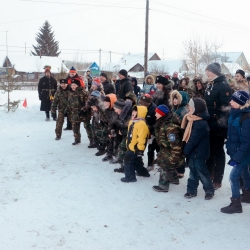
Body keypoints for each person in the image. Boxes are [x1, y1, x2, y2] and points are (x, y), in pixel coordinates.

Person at [221, 91, 250, 214]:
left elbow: (246, 142)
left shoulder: (246, 118)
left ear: (241, 103)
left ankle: (236, 204)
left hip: (243, 154)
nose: (230, 102)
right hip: (237, 152)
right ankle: (248, 195)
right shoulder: (235, 114)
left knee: (233, 177)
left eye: (234, 101)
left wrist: (237, 158)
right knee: (244, 173)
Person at [205, 62, 232, 190]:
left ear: (214, 71)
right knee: (209, 150)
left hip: (218, 125)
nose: (206, 73)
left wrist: (220, 123)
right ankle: (210, 174)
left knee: (218, 151)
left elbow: (226, 108)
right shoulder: (210, 85)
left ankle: (218, 179)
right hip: (209, 123)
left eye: (208, 71)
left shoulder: (223, 86)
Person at [181, 98, 214, 200]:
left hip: (199, 153)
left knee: (202, 172)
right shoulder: (190, 119)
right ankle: (191, 190)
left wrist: (184, 152)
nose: (189, 109)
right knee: (192, 171)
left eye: (191, 108)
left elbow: (193, 141)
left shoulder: (200, 123)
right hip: (192, 153)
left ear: (197, 109)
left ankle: (209, 190)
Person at [152, 105, 184, 192]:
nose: (155, 114)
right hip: (166, 149)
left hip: (172, 151)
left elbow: (175, 145)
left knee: (165, 164)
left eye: (157, 113)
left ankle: (163, 186)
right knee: (163, 159)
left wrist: (174, 158)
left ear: (162, 114)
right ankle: (174, 179)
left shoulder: (170, 127)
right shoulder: (162, 122)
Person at [121, 105, 150, 183]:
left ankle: (130, 177)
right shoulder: (132, 121)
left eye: (135, 111)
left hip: (136, 148)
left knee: (127, 160)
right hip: (131, 146)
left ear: (140, 113)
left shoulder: (141, 124)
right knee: (137, 161)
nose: (133, 113)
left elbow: (142, 138)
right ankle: (143, 173)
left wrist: (140, 150)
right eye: (133, 111)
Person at [67, 79, 93, 146]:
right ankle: (77, 139)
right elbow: (69, 103)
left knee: (87, 127)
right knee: (75, 127)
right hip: (74, 113)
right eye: (72, 85)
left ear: (78, 85)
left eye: (74, 85)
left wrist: (84, 110)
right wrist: (67, 110)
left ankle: (92, 140)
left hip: (84, 113)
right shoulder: (70, 93)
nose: (73, 86)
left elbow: (88, 103)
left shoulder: (84, 93)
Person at [170, 90, 189, 178]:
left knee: (180, 153)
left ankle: (180, 171)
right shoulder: (174, 108)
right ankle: (176, 169)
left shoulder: (183, 110)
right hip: (175, 133)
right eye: (174, 98)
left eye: (177, 98)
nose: (175, 100)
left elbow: (184, 124)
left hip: (180, 134)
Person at [138, 94, 158, 171]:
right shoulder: (140, 107)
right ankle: (139, 163)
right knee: (140, 147)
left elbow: (157, 123)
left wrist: (148, 125)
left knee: (151, 148)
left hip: (151, 132)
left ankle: (150, 164)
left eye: (144, 104)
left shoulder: (154, 109)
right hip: (142, 131)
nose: (142, 105)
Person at [112, 99, 132, 172]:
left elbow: (131, 128)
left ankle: (126, 168)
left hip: (131, 136)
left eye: (116, 109)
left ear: (120, 108)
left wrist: (123, 132)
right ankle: (123, 166)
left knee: (124, 149)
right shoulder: (122, 114)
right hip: (125, 134)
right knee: (122, 149)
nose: (115, 111)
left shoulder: (129, 115)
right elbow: (117, 123)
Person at [87, 91, 109, 156]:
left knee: (103, 134)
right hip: (101, 123)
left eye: (93, 107)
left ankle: (103, 148)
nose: (93, 109)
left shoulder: (103, 110)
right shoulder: (97, 110)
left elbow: (108, 120)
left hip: (107, 125)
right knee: (97, 132)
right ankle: (101, 145)